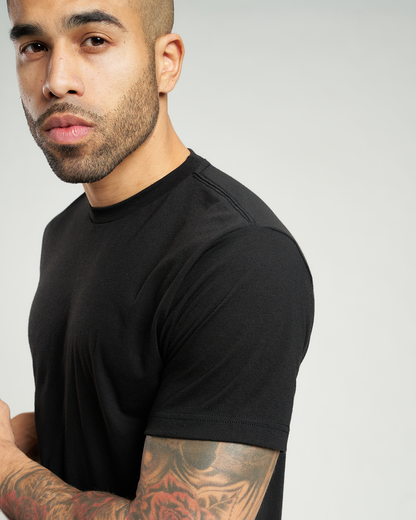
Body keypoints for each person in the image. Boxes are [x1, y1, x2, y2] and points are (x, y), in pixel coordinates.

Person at [0, 0, 314, 518]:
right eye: (34, 46)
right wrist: (20, 435)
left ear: (165, 62)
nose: (56, 81)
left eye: (94, 40)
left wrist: (7, 471)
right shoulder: (64, 232)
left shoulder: (240, 258)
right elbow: (108, 413)